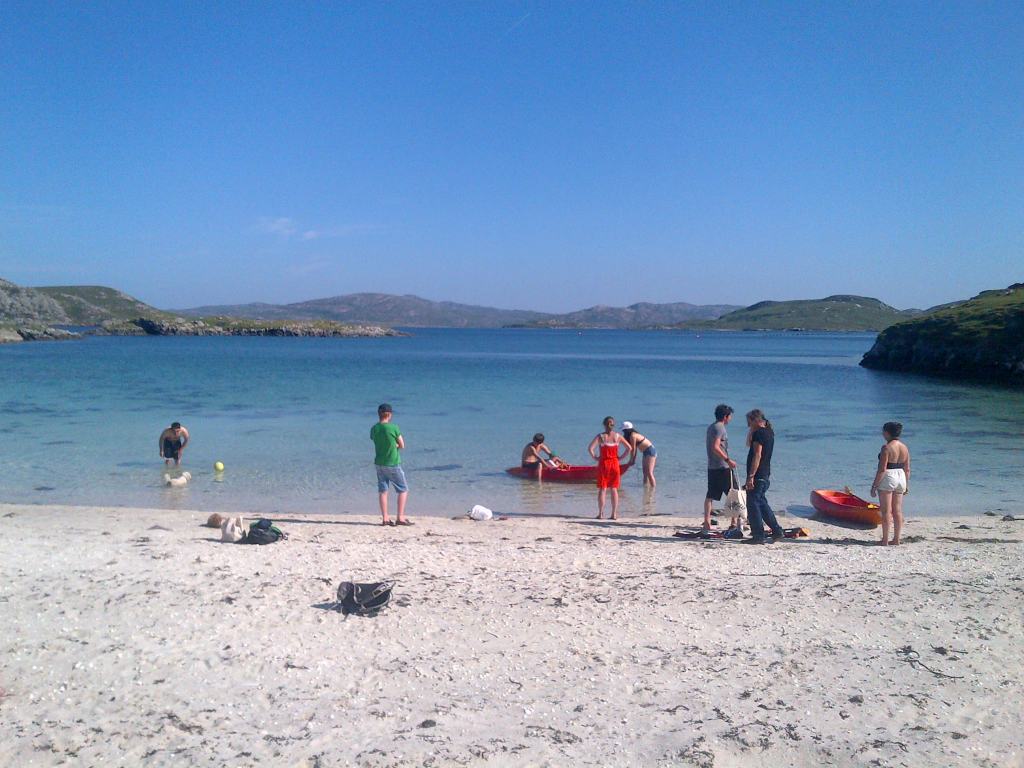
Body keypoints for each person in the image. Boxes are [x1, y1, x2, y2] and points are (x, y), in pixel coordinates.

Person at [744, 409, 784, 543]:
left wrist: (751, 476)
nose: (748, 426)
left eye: (749, 422)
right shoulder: (768, 432)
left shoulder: (760, 433)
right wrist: (752, 431)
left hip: (758, 474)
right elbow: (748, 443)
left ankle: (758, 535)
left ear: (756, 420)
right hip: (765, 473)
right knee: (761, 503)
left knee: (753, 503)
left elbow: (757, 455)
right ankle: (777, 531)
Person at [370, 403, 412, 527]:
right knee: (403, 490)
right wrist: (395, 445)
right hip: (392, 463)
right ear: (389, 414)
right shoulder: (394, 428)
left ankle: (385, 519)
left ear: (379, 414)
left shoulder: (374, 428)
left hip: (379, 463)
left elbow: (375, 440)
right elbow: (402, 445)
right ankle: (400, 517)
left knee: (383, 491)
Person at [871, 421, 910, 546]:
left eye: (883, 431)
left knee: (886, 511)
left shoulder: (886, 448)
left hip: (889, 475)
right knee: (897, 510)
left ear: (887, 433)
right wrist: (906, 485)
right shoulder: (904, 447)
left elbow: (882, 469)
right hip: (901, 476)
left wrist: (874, 485)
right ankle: (897, 539)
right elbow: (907, 468)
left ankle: (885, 540)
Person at [588, 416, 631, 520]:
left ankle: (601, 514)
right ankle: (614, 514)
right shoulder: (618, 436)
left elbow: (590, 449)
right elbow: (629, 448)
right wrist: (620, 457)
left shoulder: (601, 437)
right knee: (614, 489)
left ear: (604, 424)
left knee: (603, 489)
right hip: (615, 463)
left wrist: (595, 457)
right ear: (613, 425)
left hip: (604, 463)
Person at [704, 404, 737, 530]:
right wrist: (728, 460)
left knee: (710, 495)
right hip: (722, 467)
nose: (730, 419)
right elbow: (716, 447)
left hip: (712, 466)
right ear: (725, 417)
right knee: (734, 493)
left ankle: (707, 522)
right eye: (730, 417)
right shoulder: (720, 428)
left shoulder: (711, 427)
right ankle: (733, 523)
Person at [622, 421, 657, 487]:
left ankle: (653, 490)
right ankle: (646, 489)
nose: (623, 432)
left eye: (624, 430)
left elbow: (634, 449)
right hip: (645, 452)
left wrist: (632, 460)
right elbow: (632, 449)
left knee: (649, 472)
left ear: (627, 430)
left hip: (650, 451)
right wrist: (632, 459)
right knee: (645, 473)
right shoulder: (632, 435)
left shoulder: (633, 436)